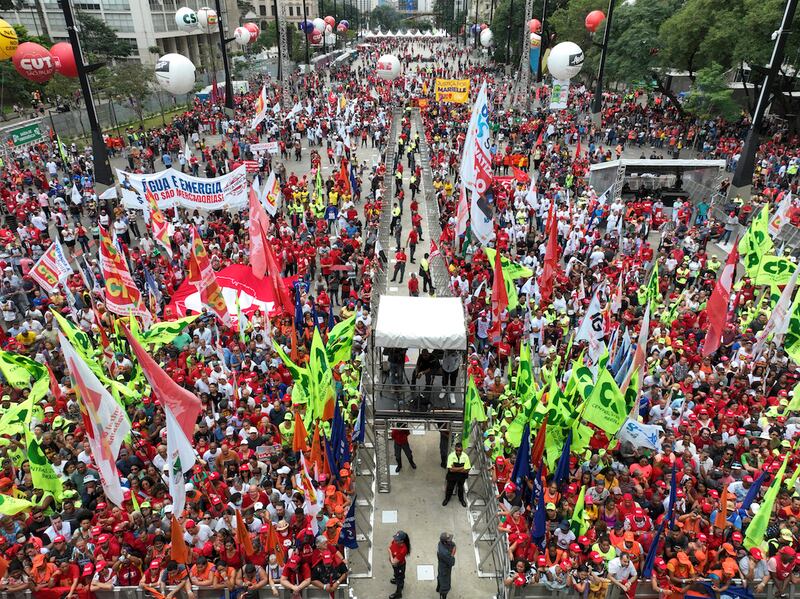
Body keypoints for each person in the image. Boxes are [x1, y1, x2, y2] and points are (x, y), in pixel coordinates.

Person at [442, 442, 471, 507]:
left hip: (461, 477)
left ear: (462, 450)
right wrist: (462, 468)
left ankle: (461, 499)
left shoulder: (465, 456)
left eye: (460, 451)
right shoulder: (451, 456)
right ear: (455, 449)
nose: (458, 452)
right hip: (452, 476)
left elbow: (467, 470)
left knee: (460, 488)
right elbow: (450, 469)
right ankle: (447, 499)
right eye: (457, 450)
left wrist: (455, 468)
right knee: (450, 488)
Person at [389, 530, 410, 599]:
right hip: (395, 566)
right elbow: (390, 545)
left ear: (402, 541)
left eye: (397, 540)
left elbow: (393, 561)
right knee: (396, 574)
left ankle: (398, 593)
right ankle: (399, 582)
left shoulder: (403, 550)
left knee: (399, 578)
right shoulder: (395, 541)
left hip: (399, 566)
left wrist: (390, 552)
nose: (394, 540)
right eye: (395, 538)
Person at [435, 532, 456, 599]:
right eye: (449, 540)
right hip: (445, 569)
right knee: (445, 585)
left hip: (441, 565)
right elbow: (452, 562)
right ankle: (443, 595)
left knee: (440, 577)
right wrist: (453, 553)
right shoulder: (444, 553)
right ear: (445, 542)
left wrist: (452, 545)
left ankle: (438, 588)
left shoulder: (440, 543)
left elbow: (452, 544)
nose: (451, 540)